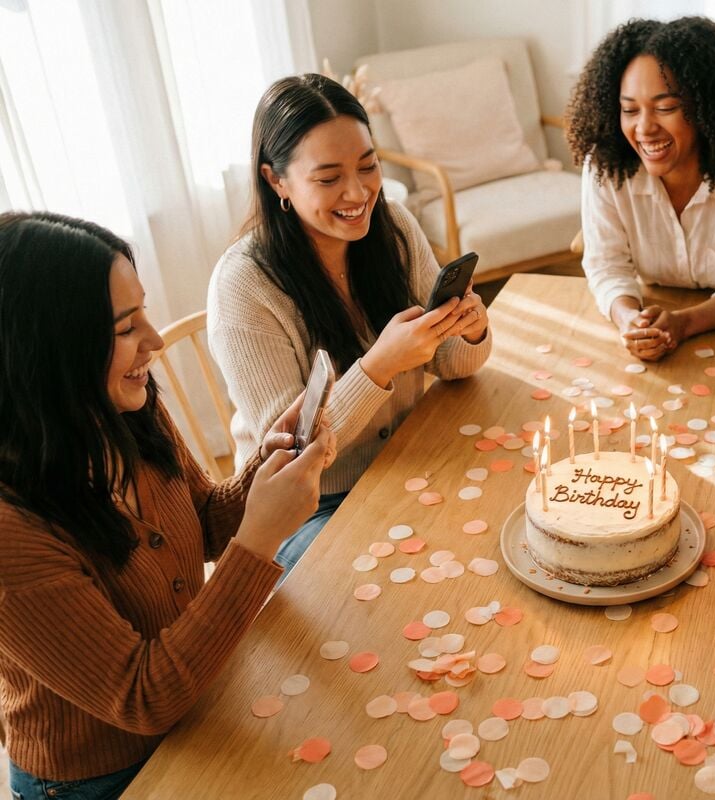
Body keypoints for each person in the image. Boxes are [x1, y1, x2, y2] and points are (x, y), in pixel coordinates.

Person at [0, 211, 333, 797]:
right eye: (125, 327)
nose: (154, 341)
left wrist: (266, 461)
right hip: (105, 774)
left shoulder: (126, 407)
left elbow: (203, 522)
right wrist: (258, 538)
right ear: (48, 351)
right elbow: (140, 696)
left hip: (199, 697)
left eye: (143, 312)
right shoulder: (10, 530)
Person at [208, 74, 492, 579]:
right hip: (309, 506)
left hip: (405, 459)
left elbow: (454, 366)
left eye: (368, 166)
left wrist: (468, 330)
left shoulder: (395, 228)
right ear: (277, 181)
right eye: (328, 178)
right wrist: (380, 366)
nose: (358, 192)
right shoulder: (244, 287)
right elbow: (291, 456)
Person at [567, 16, 715, 361]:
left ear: (706, 110)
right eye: (629, 109)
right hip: (653, 311)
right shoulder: (606, 165)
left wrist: (685, 324)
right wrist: (630, 320)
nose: (644, 128)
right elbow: (606, 266)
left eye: (666, 107)